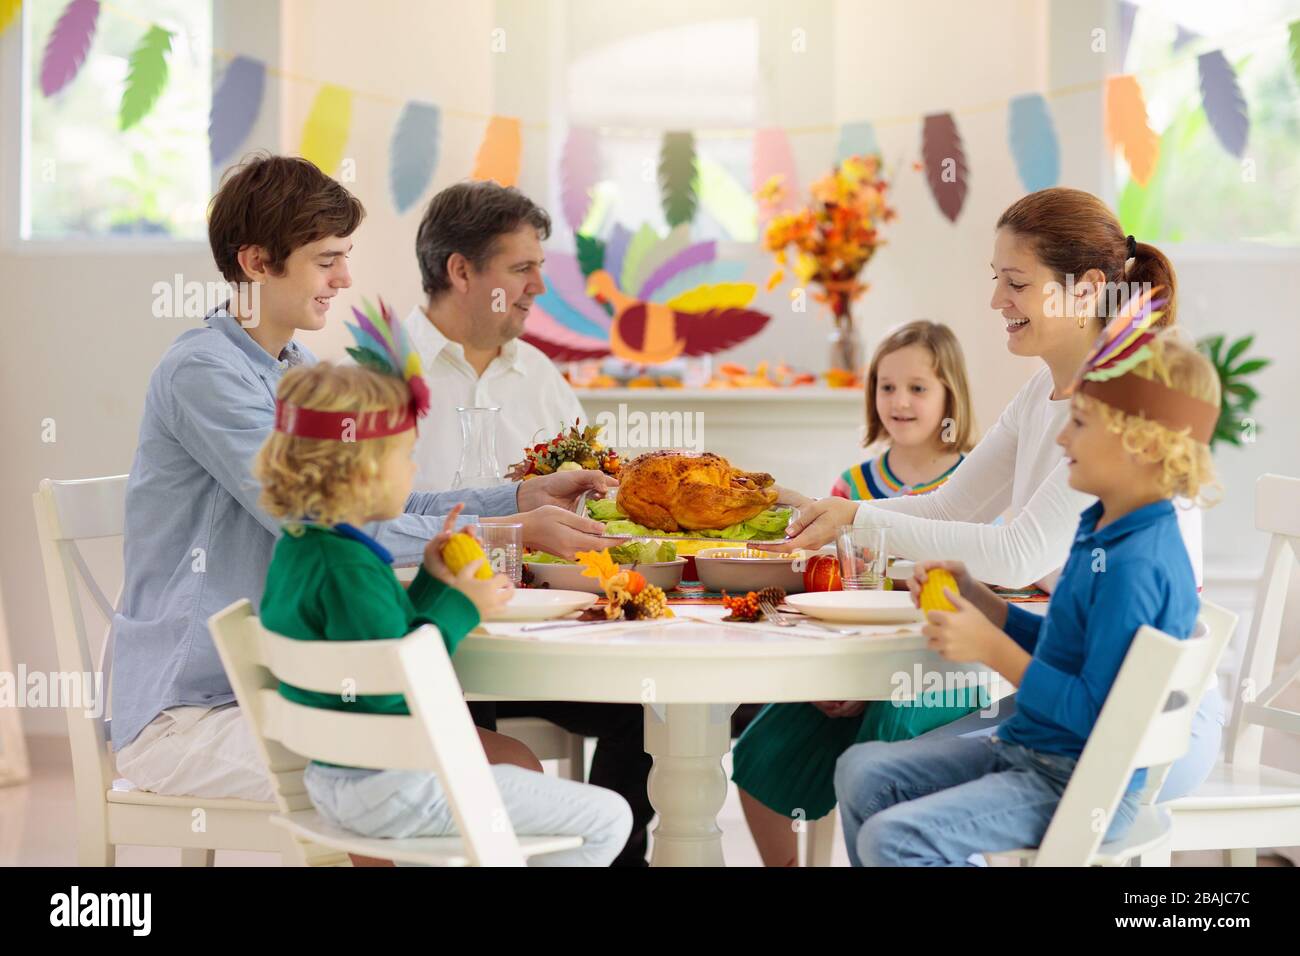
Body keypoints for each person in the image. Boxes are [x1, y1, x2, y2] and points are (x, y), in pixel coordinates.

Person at [111, 155, 612, 810]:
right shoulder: (203, 372)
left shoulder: (295, 369)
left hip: (287, 688)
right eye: (326, 260)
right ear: (257, 261)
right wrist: (504, 531)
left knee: (505, 763)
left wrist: (520, 497)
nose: (344, 278)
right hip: (195, 710)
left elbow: (377, 502)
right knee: (482, 776)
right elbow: (323, 522)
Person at [766, 188, 1220, 802]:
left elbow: (1019, 553)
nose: (996, 300)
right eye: (996, 279)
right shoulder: (1042, 392)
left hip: (1146, 725)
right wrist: (840, 517)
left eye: (1016, 282)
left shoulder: (1117, 411)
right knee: (865, 764)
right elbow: (952, 505)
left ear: (1084, 288)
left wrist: (858, 517)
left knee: (891, 766)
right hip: (1076, 690)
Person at [834, 326, 1221, 865]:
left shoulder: (1140, 564)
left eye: (1080, 424)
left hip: (1079, 783)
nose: (1062, 440)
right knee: (861, 770)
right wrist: (983, 603)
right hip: (1034, 751)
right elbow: (1065, 647)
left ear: (1141, 443)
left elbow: (1093, 716)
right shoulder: (1102, 528)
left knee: (894, 838)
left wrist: (989, 648)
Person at [255, 355, 631, 866]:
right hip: (395, 784)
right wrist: (461, 605)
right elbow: (400, 681)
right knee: (607, 817)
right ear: (362, 469)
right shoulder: (351, 569)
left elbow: (381, 639)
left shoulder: (305, 550)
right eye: (404, 457)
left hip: (337, 782)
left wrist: (433, 582)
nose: (412, 472)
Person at [733, 320, 977, 866]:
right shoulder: (850, 488)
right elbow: (825, 584)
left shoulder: (974, 485)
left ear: (950, 396)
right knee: (759, 750)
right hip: (852, 665)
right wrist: (829, 674)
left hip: (935, 671)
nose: (900, 401)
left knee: (885, 740)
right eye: (886, 387)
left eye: (918, 388)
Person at [403, 180, 587, 490]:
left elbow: (590, 500)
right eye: (521, 268)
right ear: (461, 272)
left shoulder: (541, 376)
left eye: (538, 266)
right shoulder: (369, 379)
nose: (539, 286)